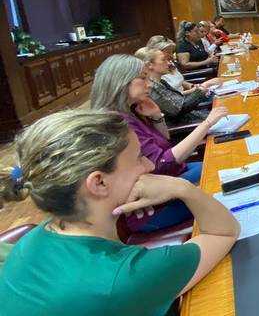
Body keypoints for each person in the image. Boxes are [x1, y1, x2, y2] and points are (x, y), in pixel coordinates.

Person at [0, 109, 239, 315]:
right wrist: (182, 188)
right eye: (138, 158)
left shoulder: (32, 240)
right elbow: (224, 232)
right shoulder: (124, 276)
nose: (150, 165)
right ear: (99, 183)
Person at [91, 54, 229, 232]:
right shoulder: (117, 122)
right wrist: (207, 123)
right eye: (142, 78)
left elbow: (164, 142)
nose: (149, 84)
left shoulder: (132, 109)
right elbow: (161, 164)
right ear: (121, 82)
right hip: (154, 207)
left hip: (173, 174)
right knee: (226, 183)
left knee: (225, 164)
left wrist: (157, 117)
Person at [135, 47, 209, 126]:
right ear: (150, 65)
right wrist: (201, 92)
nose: (168, 63)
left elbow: (179, 99)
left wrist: (197, 91)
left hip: (193, 117)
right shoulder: (150, 88)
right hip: (185, 126)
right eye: (163, 60)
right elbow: (177, 110)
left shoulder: (161, 82)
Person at [146, 36, 222, 93]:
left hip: (191, 95)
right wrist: (200, 88)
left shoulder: (169, 63)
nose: (171, 55)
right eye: (168, 52)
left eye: (172, 52)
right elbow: (173, 99)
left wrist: (192, 86)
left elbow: (180, 81)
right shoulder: (156, 71)